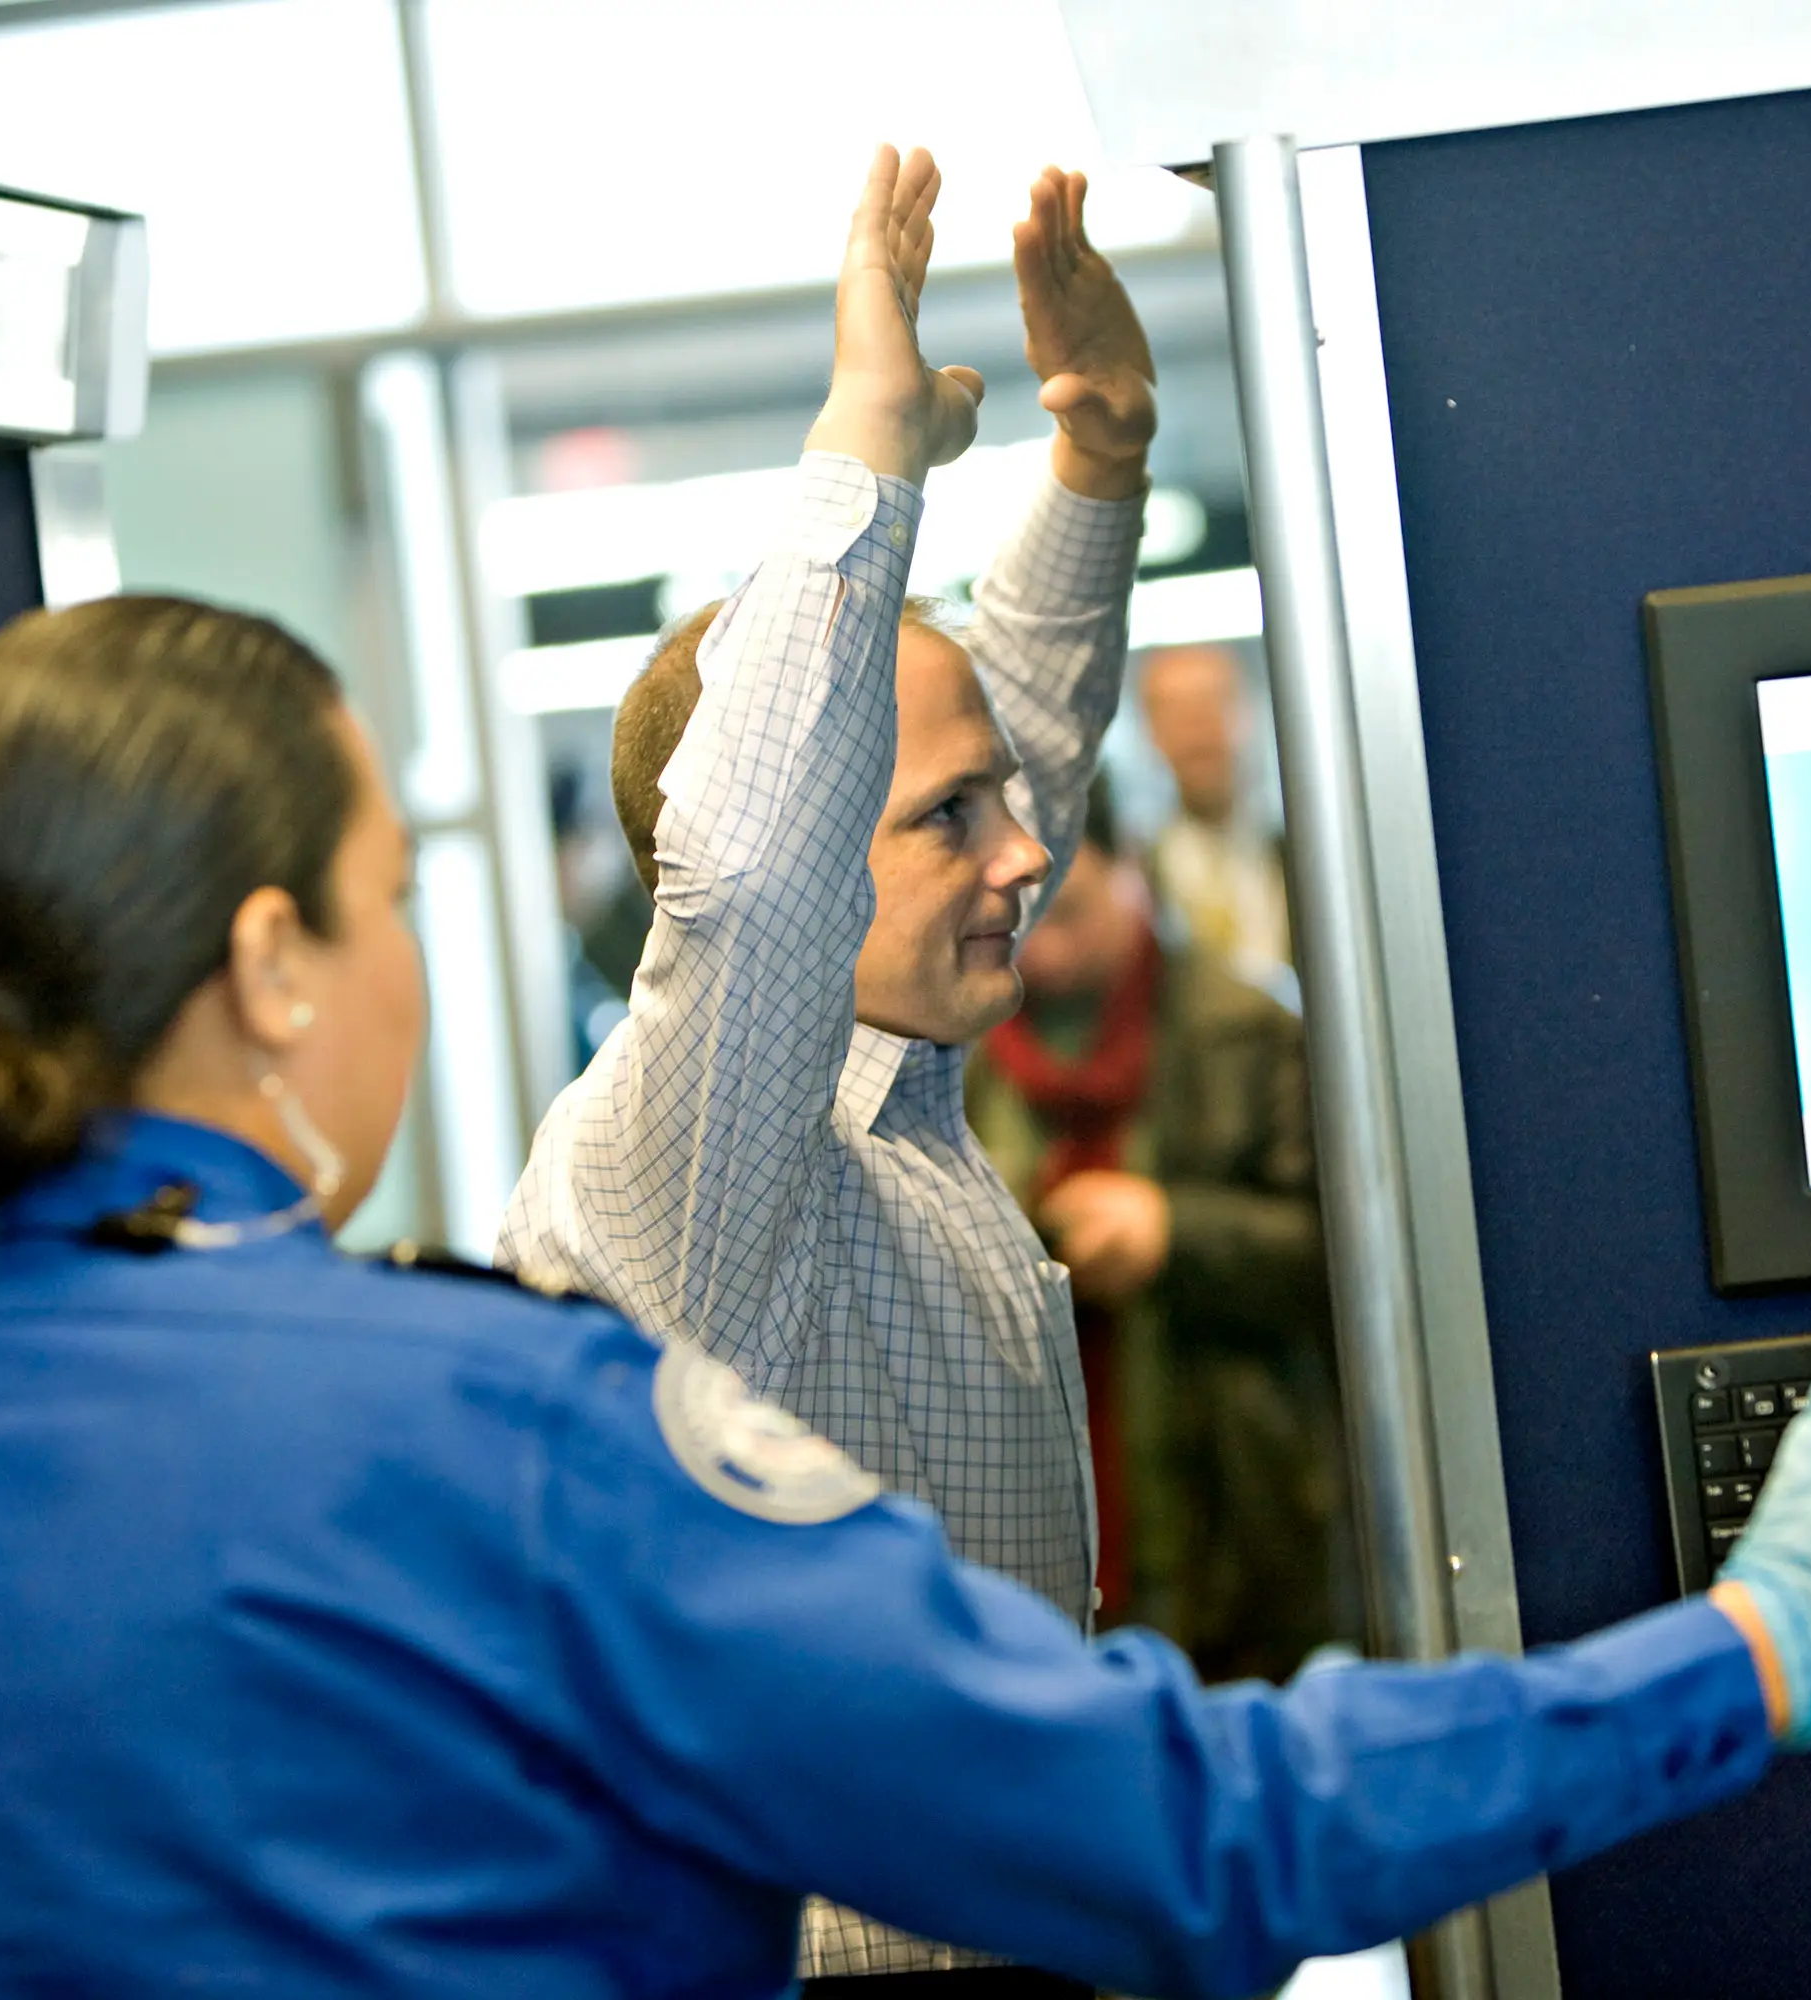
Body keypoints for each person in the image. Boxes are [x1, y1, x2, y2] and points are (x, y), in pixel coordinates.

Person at [0, 574, 1811, 2000]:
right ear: (268, 965)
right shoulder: (499, 1430)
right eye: (379, 891)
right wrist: (1744, 1651)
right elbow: (1184, 1827)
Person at [495, 149, 1153, 1986]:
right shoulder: (684, 1157)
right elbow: (776, 854)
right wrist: (862, 446)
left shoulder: (903, 1090)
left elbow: (994, 717)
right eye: (954, 822)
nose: (1028, 852)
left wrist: (1093, 453)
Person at [966, 784, 1348, 1681]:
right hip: (1038, 1529)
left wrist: (1175, 1233)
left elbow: (1346, 1259)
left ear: (1131, 874)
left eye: (1073, 912)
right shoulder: (957, 1051)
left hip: (1236, 1512)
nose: (1046, 948)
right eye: (1024, 920)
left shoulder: (1248, 1032)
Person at [1138, 644, 1292, 992]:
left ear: (1248, 713)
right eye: (1177, 713)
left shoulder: (1307, 857)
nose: (1198, 732)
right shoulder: (1135, 879)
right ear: (1151, 731)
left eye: (1214, 703)